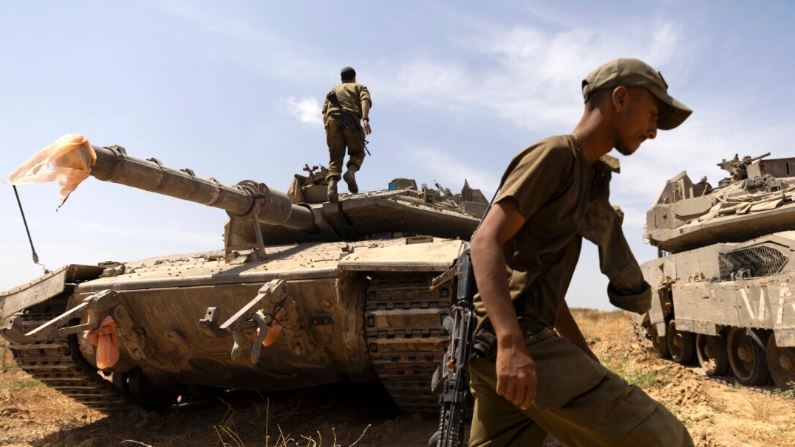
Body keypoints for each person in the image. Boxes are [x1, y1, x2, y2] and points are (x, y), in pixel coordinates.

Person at [467, 58, 695, 446]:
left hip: (500, 345)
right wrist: (511, 343)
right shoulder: (556, 155)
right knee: (667, 438)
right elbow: (484, 240)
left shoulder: (582, 177)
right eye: (653, 114)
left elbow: (541, 287)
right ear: (620, 98)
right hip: (516, 342)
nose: (654, 132)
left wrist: (580, 352)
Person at [322, 66, 372, 202]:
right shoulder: (359, 87)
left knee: (335, 158)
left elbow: (324, 113)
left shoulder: (332, 91)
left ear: (341, 79)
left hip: (332, 122)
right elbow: (365, 100)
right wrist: (365, 119)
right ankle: (350, 173)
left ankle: (332, 184)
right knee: (357, 153)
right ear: (354, 77)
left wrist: (329, 129)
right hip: (351, 121)